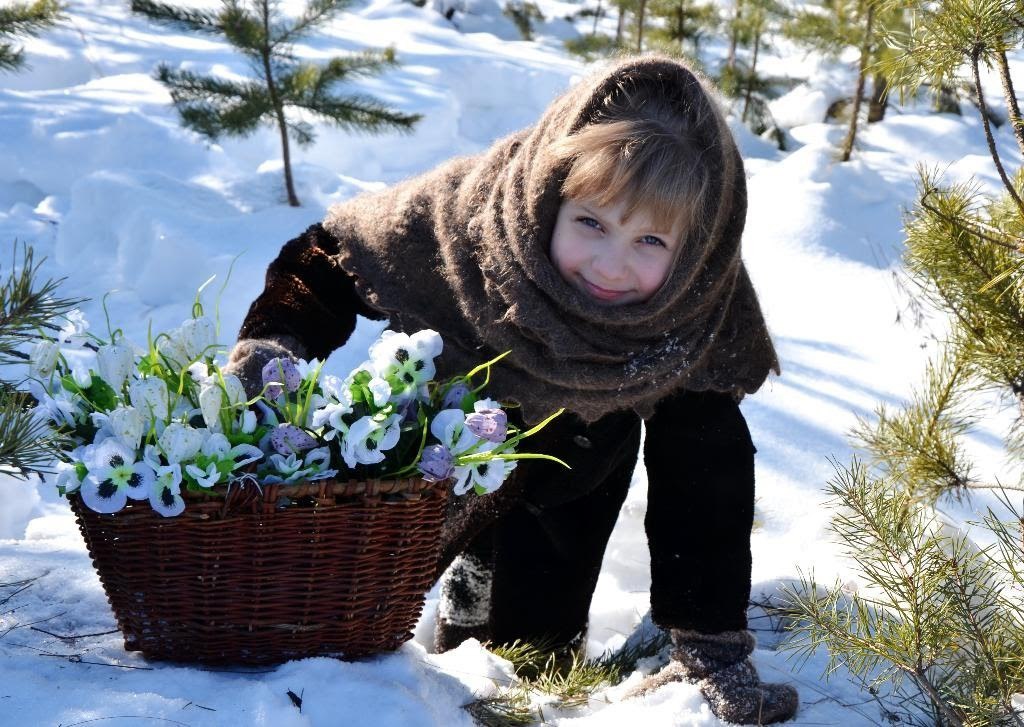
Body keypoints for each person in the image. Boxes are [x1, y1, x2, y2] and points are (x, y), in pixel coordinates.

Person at [226, 54, 798, 724]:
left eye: (649, 240)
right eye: (591, 222)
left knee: (522, 665)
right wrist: (275, 343)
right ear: (552, 193)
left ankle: (493, 632)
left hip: (579, 456)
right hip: (442, 440)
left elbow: (706, 464)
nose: (611, 264)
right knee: (339, 632)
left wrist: (710, 643)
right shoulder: (471, 213)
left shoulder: (694, 299)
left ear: (691, 246)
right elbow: (330, 255)